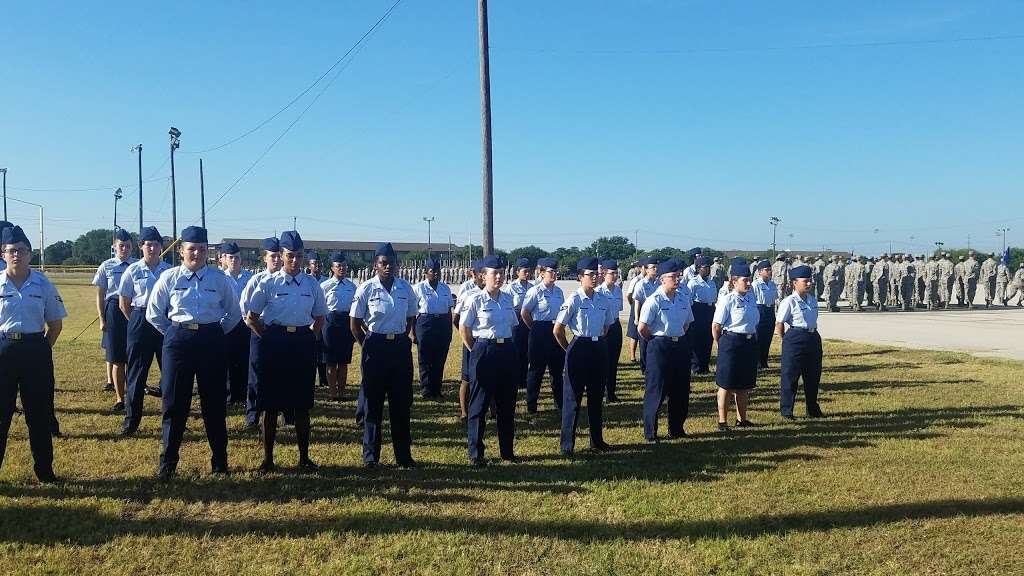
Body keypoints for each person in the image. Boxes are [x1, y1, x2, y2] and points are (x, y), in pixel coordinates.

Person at [146, 226, 241, 480]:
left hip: (211, 341)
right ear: (181, 251)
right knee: (174, 404)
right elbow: (153, 312)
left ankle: (220, 461)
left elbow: (234, 313)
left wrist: (215, 333)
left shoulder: (219, 279)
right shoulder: (170, 278)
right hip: (178, 341)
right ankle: (168, 463)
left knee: (215, 404)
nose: (196, 254)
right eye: (191, 249)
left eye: (201, 249)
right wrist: (174, 333)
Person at [245, 231, 327, 474]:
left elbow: (320, 316)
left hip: (302, 340)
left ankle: (304, 457)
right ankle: (268, 459)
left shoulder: (311, 284)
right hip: (275, 342)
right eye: (290, 256)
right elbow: (251, 317)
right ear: (280, 256)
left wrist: (308, 337)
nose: (294, 261)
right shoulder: (268, 283)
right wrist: (268, 338)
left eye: (299, 256)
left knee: (302, 405)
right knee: (270, 406)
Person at [0, 225, 66, 483]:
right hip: (3, 350)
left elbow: (56, 324)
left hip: (35, 350)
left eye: (23, 250)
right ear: (3, 254)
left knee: (38, 415)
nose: (17, 255)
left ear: (30, 254)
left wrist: (40, 350)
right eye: (12, 250)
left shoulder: (42, 283)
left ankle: (45, 470)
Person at [350, 242, 418, 469]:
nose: (388, 267)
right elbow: (355, 323)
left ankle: (403, 457)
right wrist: (367, 346)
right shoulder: (366, 288)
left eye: (392, 263)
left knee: (400, 404)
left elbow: (411, 317)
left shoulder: (405, 288)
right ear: (375, 265)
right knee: (373, 405)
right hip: (375, 347)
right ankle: (371, 457)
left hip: (399, 347)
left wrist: (401, 338)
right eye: (383, 263)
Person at [459, 255, 520, 466]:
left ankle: (507, 452)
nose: (500, 277)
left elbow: (513, 324)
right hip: (484, 349)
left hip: (506, 350)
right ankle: (476, 453)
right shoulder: (474, 299)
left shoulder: (507, 299)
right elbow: (464, 328)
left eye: (502, 273)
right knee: (479, 404)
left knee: (506, 404)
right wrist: (475, 350)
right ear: (484, 276)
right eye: (495, 273)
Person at [554, 257, 616, 456]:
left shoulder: (602, 299)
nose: (595, 278)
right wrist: (569, 349)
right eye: (590, 275)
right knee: (572, 398)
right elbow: (558, 329)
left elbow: (607, 325)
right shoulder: (574, 299)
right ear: (580, 277)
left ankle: (596, 441)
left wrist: (596, 339)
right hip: (578, 347)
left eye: (597, 274)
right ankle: (567, 445)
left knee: (596, 396)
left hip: (598, 348)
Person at [117, 226, 172, 436]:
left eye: (156, 244)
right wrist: (138, 322)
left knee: (169, 374)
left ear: (161, 247)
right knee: (136, 375)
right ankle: (131, 422)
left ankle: (173, 419)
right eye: (148, 244)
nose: (152, 248)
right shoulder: (132, 270)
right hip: (139, 320)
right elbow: (124, 303)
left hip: (164, 322)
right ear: (141, 247)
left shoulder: (169, 271)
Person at [638, 259, 694, 441]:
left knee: (680, 389)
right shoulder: (654, 300)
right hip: (659, 345)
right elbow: (642, 328)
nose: (677, 280)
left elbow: (686, 324)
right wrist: (657, 341)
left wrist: (676, 337)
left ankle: (676, 428)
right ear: (662, 279)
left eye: (678, 276)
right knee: (656, 390)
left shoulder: (683, 298)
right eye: (672, 277)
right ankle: (650, 432)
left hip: (680, 345)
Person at [239, 237, 283, 431]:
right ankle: (253, 415)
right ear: (264, 258)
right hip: (260, 329)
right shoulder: (256, 280)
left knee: (283, 372)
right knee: (256, 373)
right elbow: (244, 308)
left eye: (278, 256)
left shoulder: (286, 280)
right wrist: (257, 329)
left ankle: (285, 412)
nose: (276, 260)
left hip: (281, 332)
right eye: (272, 256)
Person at [712, 258, 759, 430]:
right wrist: (721, 344)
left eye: (749, 279)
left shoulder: (751, 298)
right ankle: (722, 421)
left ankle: (742, 419)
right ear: (734, 281)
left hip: (748, 342)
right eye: (744, 280)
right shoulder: (727, 299)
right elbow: (716, 326)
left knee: (744, 384)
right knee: (726, 383)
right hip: (731, 342)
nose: (748, 283)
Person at [93, 229, 137, 412]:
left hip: (134, 309)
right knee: (117, 357)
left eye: (127, 246)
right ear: (114, 247)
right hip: (113, 311)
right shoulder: (107, 266)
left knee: (134, 357)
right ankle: (120, 399)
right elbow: (100, 295)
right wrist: (102, 319)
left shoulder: (137, 265)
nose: (124, 249)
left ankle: (134, 396)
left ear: (132, 247)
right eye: (121, 246)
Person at [776, 265, 824, 419]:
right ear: (794, 283)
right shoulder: (789, 301)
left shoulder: (812, 300)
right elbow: (779, 324)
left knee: (813, 375)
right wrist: (787, 340)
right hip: (795, 337)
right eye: (805, 281)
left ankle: (812, 409)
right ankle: (787, 410)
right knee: (790, 376)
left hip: (812, 337)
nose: (809, 284)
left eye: (810, 281)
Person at [521, 257, 566, 413]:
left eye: (555, 271)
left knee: (557, 370)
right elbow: (524, 312)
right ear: (541, 273)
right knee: (536, 370)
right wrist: (535, 328)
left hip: (556, 330)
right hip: (540, 330)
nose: (554, 274)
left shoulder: (559, 291)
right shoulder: (535, 291)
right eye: (551, 271)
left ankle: (559, 403)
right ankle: (532, 405)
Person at [412, 258, 453, 399]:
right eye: (432, 271)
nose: (436, 274)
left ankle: (437, 388)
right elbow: (412, 312)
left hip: (442, 323)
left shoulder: (445, 288)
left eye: (438, 271)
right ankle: (426, 389)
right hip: (425, 322)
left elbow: (448, 310)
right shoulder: (418, 288)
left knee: (440, 357)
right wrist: (413, 332)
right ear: (425, 272)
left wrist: (449, 330)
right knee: (425, 358)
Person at [320, 251, 357, 402]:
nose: (342, 268)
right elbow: (319, 306)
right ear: (332, 268)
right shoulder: (325, 286)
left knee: (343, 361)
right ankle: (332, 393)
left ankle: (342, 392)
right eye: (338, 266)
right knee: (330, 360)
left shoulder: (352, 286)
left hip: (346, 322)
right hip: (330, 323)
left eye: (344, 266)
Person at [218, 241, 252, 405]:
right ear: (223, 259)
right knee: (228, 361)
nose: (234, 261)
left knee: (245, 359)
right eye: (230, 257)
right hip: (226, 324)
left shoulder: (249, 278)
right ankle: (230, 395)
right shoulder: (219, 278)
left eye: (237, 257)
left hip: (246, 324)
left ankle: (244, 394)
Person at [452, 261, 484, 420]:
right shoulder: (467, 294)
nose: (484, 278)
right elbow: (456, 319)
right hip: (472, 341)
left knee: (489, 375)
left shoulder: (497, 294)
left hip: (489, 342)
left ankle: (492, 410)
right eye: (481, 275)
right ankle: (465, 412)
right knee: (467, 378)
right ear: (476, 275)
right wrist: (467, 337)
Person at [595, 259, 624, 401]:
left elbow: (618, 310)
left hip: (616, 326)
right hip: (603, 328)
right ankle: (600, 392)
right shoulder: (598, 291)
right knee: (602, 363)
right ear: (604, 273)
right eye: (612, 273)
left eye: (616, 273)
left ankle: (611, 393)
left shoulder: (618, 290)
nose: (615, 276)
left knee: (613, 363)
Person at [503, 258, 533, 391]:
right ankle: (515, 378)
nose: (527, 274)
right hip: (516, 323)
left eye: (529, 271)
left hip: (529, 321)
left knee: (527, 351)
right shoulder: (511, 288)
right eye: (525, 271)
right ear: (517, 272)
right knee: (517, 351)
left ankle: (524, 379)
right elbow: (506, 306)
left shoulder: (532, 287)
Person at [628, 257, 659, 374]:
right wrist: (636, 318)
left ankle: (653, 366)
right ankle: (644, 368)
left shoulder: (659, 283)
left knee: (654, 341)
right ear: (646, 269)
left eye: (656, 267)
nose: (655, 269)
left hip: (655, 316)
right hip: (644, 315)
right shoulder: (640, 284)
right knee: (644, 344)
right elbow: (637, 301)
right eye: (653, 267)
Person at [686, 256, 717, 374]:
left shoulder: (711, 282)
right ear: (699, 268)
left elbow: (714, 297)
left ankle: (705, 365)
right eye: (705, 267)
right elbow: (689, 300)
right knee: (697, 339)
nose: (708, 269)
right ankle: (696, 366)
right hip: (698, 310)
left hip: (710, 309)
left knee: (708, 338)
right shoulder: (693, 283)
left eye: (709, 267)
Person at [750, 260, 778, 370]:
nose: (769, 272)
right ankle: (756, 362)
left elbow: (775, 298)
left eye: (770, 270)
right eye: (767, 270)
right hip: (759, 309)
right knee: (758, 337)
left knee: (768, 336)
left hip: (770, 310)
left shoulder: (772, 284)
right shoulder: (755, 284)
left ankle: (764, 361)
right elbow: (752, 300)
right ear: (760, 272)